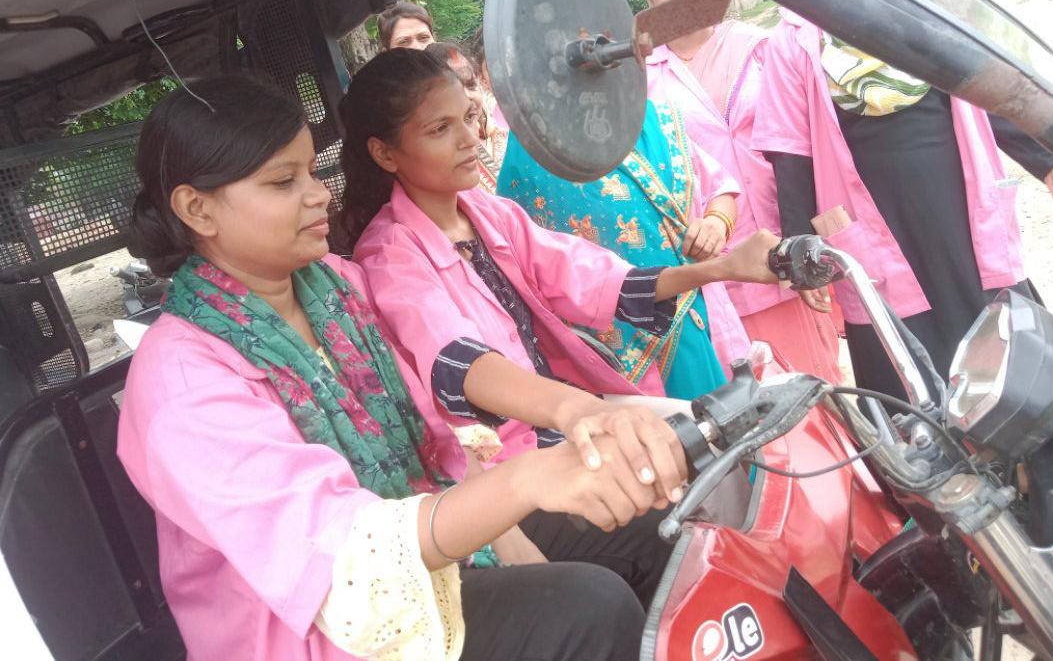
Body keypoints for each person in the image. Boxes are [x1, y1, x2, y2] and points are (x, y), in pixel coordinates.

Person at [118, 74, 695, 661]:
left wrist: (517, 525)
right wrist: (528, 479)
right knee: (589, 612)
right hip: (323, 630)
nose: (318, 195)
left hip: (431, 536)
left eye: (312, 172)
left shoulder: (335, 287)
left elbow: (438, 441)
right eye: (284, 182)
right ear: (197, 209)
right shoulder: (181, 383)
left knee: (660, 529)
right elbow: (340, 555)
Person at [338, 48, 781, 461]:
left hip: (562, 421)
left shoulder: (489, 213)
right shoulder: (389, 254)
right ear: (385, 153)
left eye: (468, 118)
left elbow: (590, 277)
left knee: (711, 440)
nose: (470, 138)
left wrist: (721, 268)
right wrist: (577, 410)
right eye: (440, 129)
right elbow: (459, 361)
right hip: (506, 460)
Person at [753, 0, 1053, 400]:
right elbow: (790, 150)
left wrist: (1049, 163)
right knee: (906, 360)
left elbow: (986, 89)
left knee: (1003, 338)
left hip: (954, 194)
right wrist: (798, 248)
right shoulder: (793, 33)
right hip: (867, 213)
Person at [639, 0, 843, 383]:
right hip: (712, 262)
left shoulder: (759, 47)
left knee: (818, 386)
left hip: (787, 237)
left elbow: (806, 145)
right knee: (750, 394)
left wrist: (810, 237)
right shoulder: (643, 78)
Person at [498, 99, 751, 400]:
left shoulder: (654, 120)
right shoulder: (530, 155)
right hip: (620, 360)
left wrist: (716, 224)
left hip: (703, 320)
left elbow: (720, 189)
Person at [426, 41, 507, 193]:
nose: (467, 96)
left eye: (471, 85)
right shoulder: (440, 162)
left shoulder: (507, 135)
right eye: (454, 89)